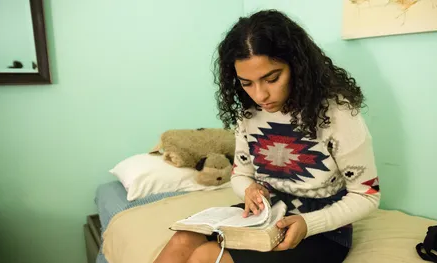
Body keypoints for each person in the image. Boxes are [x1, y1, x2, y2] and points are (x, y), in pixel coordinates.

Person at [155, 9, 380, 263]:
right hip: (266, 217)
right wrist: (249, 190)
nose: (260, 96)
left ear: (297, 66)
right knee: (182, 239)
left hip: (323, 231)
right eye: (246, 83)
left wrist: (308, 223)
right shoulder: (249, 115)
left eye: (272, 78)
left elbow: (367, 195)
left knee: (205, 256)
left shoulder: (338, 115)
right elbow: (240, 173)